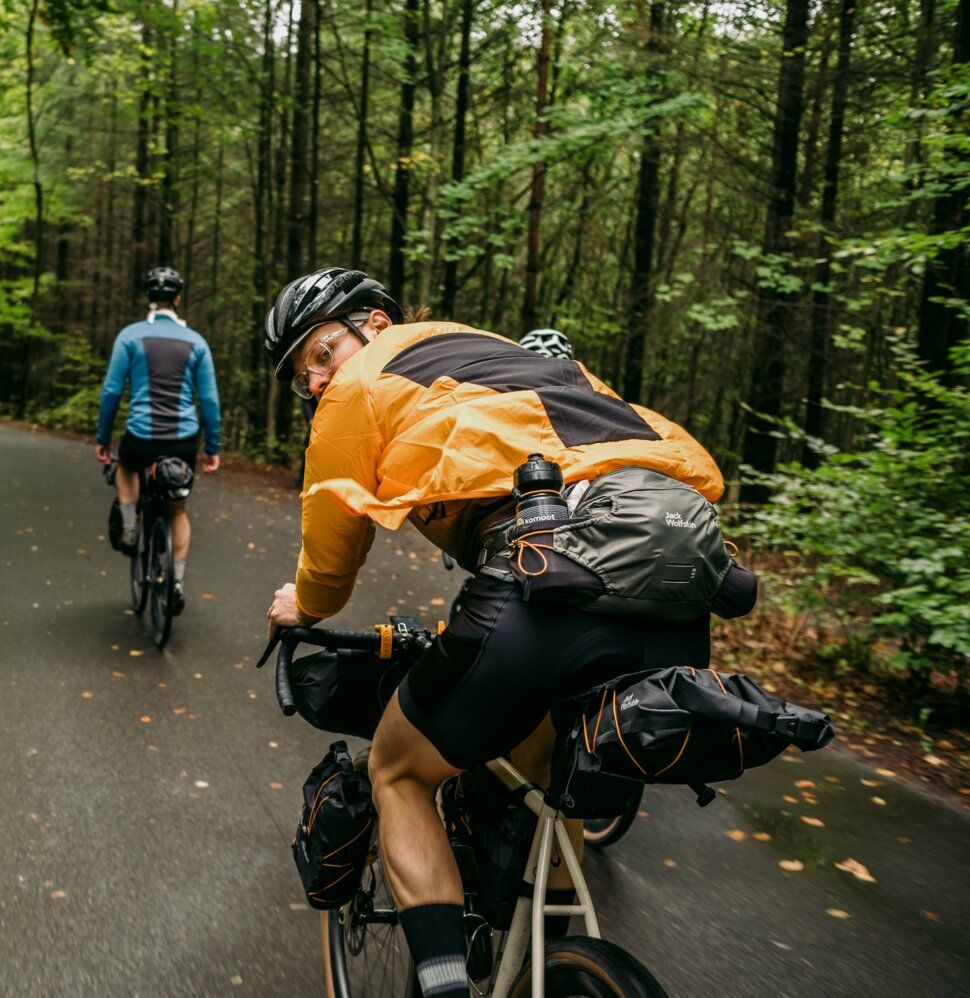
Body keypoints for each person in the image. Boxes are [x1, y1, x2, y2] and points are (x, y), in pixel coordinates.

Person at [261, 268, 722, 998]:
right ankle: (550, 963)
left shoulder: (363, 382)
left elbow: (333, 536)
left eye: (319, 354)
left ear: (375, 325)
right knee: (551, 775)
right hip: (685, 571)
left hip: (553, 574)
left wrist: (304, 608)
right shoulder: (524, 360)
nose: (315, 381)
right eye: (299, 377)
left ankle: (452, 982)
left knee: (398, 770)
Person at [95, 266, 221, 613]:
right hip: (182, 440)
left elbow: (111, 390)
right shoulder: (196, 341)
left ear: (149, 298)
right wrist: (212, 448)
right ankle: (176, 581)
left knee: (125, 467)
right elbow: (209, 400)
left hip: (140, 436)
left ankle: (131, 524)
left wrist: (103, 438)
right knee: (178, 508)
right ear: (177, 299)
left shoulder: (130, 336)